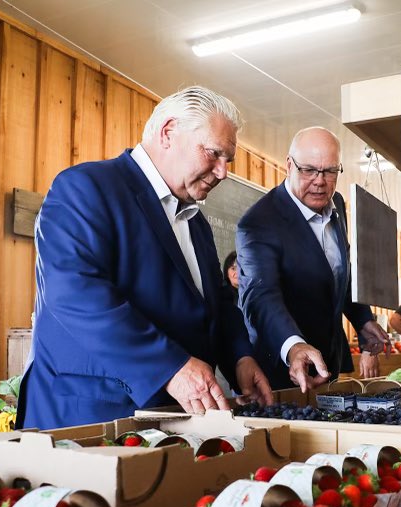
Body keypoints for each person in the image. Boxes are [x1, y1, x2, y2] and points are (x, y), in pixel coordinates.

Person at [18, 86, 273, 430]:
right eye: (214, 153)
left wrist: (240, 357)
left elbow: (216, 305)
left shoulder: (196, 222)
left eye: (228, 160)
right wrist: (169, 366)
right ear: (168, 133)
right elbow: (75, 295)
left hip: (169, 421)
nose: (223, 171)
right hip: (89, 417)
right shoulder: (84, 187)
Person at [237, 127, 390, 391]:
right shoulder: (258, 222)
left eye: (330, 171)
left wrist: (362, 319)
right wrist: (293, 345)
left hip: (327, 363)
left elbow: (340, 270)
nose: (319, 181)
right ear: (289, 165)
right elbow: (261, 297)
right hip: (280, 374)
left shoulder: (337, 204)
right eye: (308, 170)